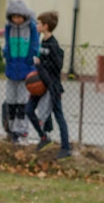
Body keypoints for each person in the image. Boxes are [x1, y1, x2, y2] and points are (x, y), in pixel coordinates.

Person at [27, 10, 71, 159]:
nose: (37, 25)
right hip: (41, 85)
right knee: (29, 109)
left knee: (59, 116)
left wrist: (40, 64)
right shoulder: (42, 41)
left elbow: (57, 66)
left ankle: (66, 148)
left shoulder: (53, 44)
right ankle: (44, 137)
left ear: (45, 26)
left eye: (39, 23)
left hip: (52, 87)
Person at [2, 0, 39, 143]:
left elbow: (35, 45)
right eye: (14, 17)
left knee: (22, 102)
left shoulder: (31, 28)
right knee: (11, 100)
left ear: (24, 16)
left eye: (19, 17)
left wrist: (30, 60)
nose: (16, 20)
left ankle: (22, 130)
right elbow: (7, 44)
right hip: (12, 69)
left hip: (26, 70)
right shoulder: (9, 28)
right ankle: (11, 130)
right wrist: (7, 56)